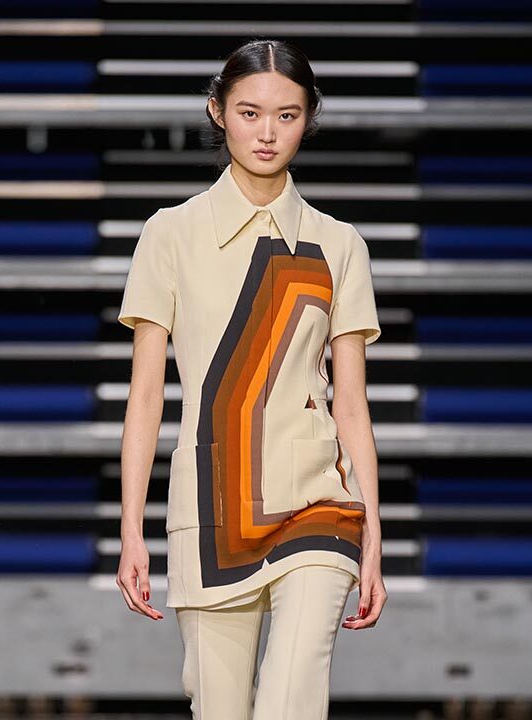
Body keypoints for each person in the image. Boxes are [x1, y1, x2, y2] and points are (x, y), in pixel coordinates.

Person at [116, 38, 387, 720]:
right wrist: (131, 528)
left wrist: (373, 533)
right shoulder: (170, 234)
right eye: (250, 112)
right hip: (212, 506)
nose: (268, 132)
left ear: (309, 118)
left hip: (318, 501)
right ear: (217, 111)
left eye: (287, 115)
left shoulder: (339, 245)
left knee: (292, 698)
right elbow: (145, 397)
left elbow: (351, 404)